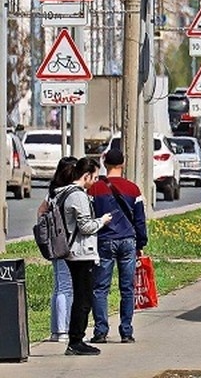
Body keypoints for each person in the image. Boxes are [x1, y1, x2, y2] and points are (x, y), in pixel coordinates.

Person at [89, 148, 148, 344]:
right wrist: (141, 243)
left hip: (104, 241)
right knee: (127, 288)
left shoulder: (95, 189)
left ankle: (100, 331)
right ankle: (126, 331)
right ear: (123, 164)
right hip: (128, 241)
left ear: (105, 164)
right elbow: (139, 220)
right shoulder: (133, 189)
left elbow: (90, 216)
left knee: (100, 288)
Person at [60, 157, 113, 356]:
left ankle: (76, 339)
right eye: (95, 177)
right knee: (83, 299)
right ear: (86, 175)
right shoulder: (78, 195)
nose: (96, 181)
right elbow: (85, 226)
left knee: (82, 297)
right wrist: (102, 221)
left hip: (74, 251)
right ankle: (76, 341)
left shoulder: (64, 192)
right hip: (80, 253)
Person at [36, 156, 78, 343]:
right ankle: (62, 329)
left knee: (59, 286)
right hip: (66, 244)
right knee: (66, 287)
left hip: (54, 242)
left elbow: (40, 213)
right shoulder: (69, 193)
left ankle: (56, 330)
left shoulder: (52, 192)